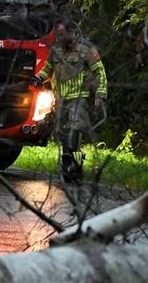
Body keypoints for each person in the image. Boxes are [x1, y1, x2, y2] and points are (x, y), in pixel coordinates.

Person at [34, 18, 108, 183]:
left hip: (79, 99)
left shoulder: (87, 49)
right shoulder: (55, 50)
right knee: (61, 134)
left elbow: (99, 72)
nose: (58, 38)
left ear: (72, 32)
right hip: (60, 99)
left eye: (61, 34)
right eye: (57, 34)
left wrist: (100, 94)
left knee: (74, 133)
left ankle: (73, 169)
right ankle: (69, 167)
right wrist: (38, 77)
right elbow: (47, 69)